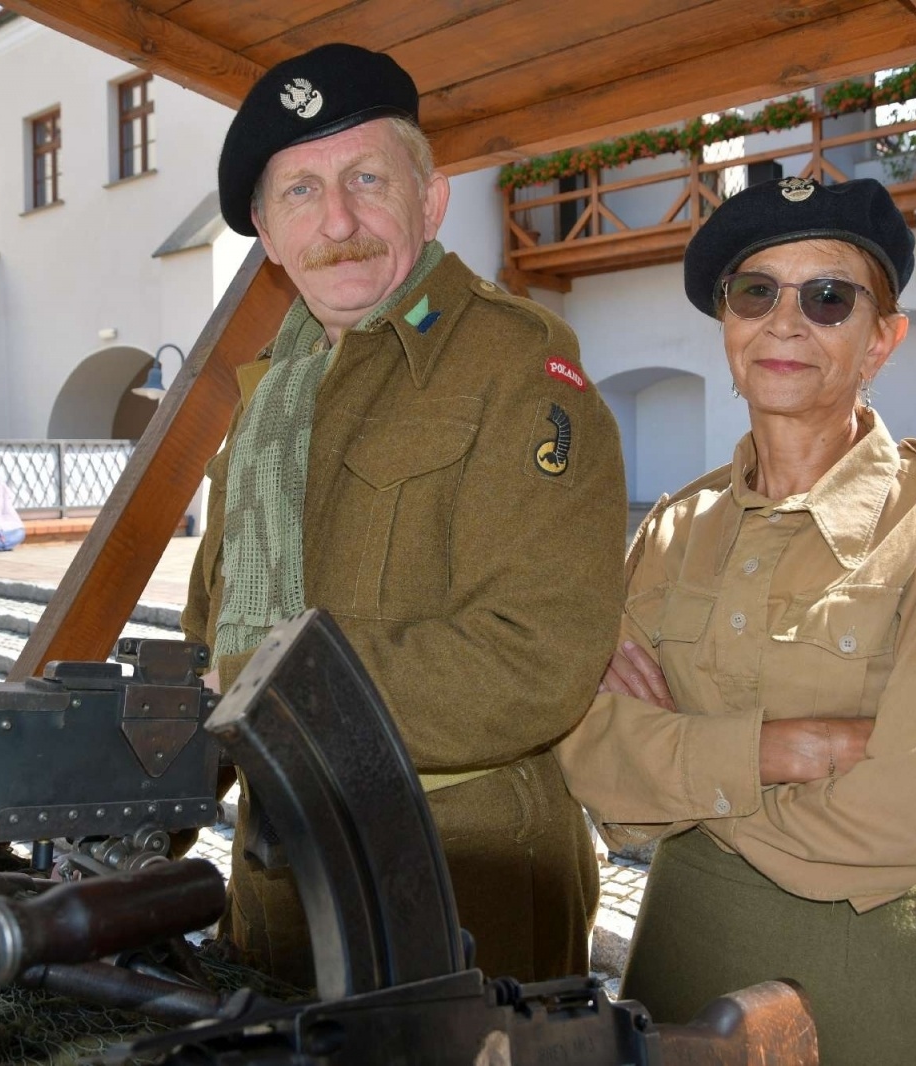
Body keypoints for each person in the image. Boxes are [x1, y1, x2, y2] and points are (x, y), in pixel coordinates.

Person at [183, 42, 627, 987]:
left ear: (430, 200)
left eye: (365, 178)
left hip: (457, 894)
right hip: (277, 881)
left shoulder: (514, 367)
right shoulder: (267, 403)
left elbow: (536, 655)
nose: (336, 220)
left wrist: (258, 692)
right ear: (267, 232)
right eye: (299, 192)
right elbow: (213, 633)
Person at [556, 177, 916, 1064]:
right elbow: (592, 762)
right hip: (681, 959)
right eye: (755, 292)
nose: (784, 321)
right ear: (728, 328)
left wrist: (680, 763)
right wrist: (790, 750)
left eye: (827, 298)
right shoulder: (671, 529)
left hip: (866, 976)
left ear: (884, 340)